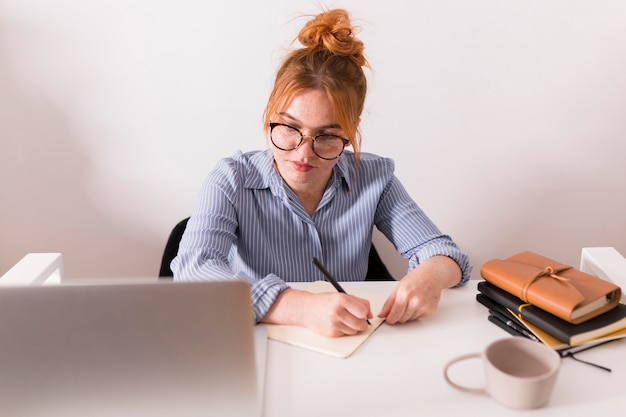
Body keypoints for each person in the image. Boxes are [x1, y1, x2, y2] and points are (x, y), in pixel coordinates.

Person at [172, 8, 472, 337]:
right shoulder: (231, 179)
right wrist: (299, 307)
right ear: (270, 113)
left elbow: (446, 255)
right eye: (288, 127)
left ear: (351, 130)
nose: (303, 153)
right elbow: (193, 271)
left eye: (327, 136)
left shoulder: (374, 178)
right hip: (258, 343)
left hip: (348, 348)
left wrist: (430, 275)